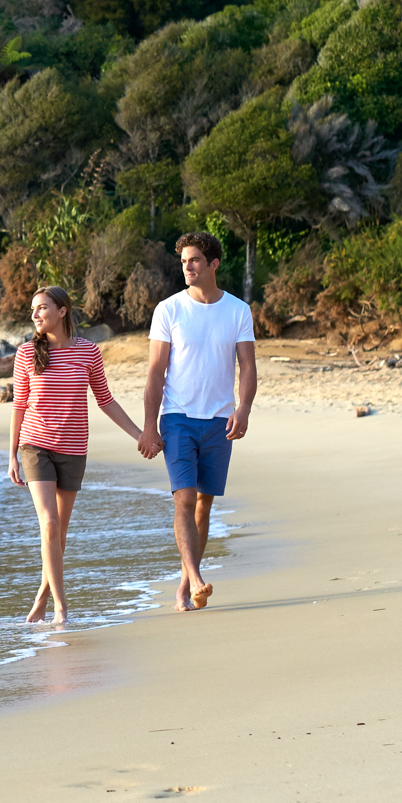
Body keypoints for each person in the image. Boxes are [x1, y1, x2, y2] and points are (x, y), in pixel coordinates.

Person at [5, 284, 148, 625]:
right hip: (35, 445)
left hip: (73, 449)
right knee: (49, 523)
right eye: (33, 309)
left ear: (62, 311)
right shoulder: (26, 353)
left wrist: (139, 434)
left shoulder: (88, 352)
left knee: (60, 532)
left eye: (42, 307)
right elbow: (19, 405)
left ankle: (41, 598)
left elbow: (106, 400)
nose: (35, 314)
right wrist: (11, 454)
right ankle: (61, 606)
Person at [135, 232, 256, 611]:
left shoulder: (238, 310)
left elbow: (248, 367)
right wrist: (150, 426)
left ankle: (186, 583)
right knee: (184, 498)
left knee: (204, 503)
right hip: (177, 417)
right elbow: (156, 373)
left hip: (220, 418)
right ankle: (198, 578)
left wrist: (244, 409)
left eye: (194, 261)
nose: (187, 267)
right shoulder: (168, 310)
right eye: (184, 261)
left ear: (213, 264)